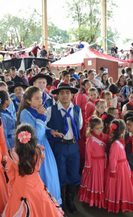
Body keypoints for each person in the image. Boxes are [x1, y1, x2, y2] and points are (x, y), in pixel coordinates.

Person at [4, 124, 65, 217]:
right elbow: (39, 165)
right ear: (33, 138)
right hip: (37, 186)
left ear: (17, 138)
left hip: (20, 189)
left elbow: (10, 177)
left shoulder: (10, 155)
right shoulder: (39, 151)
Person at [18, 86, 61, 205]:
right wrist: (41, 117)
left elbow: (42, 129)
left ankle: (52, 205)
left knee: (50, 177)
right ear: (28, 100)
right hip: (34, 149)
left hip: (45, 147)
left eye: (41, 98)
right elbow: (35, 134)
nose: (40, 101)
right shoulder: (25, 114)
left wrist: (50, 131)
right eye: (36, 98)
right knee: (41, 176)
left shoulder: (39, 110)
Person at [46, 83, 82, 213]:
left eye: (68, 92)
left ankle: (70, 201)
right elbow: (44, 125)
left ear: (72, 95)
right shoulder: (51, 110)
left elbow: (80, 125)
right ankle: (59, 201)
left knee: (73, 173)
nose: (65, 95)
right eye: (62, 93)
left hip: (73, 146)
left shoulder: (77, 109)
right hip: (59, 146)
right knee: (60, 174)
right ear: (58, 95)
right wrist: (51, 131)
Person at [104, 119, 133, 213]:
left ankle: (121, 202)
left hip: (123, 167)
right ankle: (116, 203)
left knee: (122, 185)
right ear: (123, 131)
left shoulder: (119, 142)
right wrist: (113, 171)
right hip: (118, 168)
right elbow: (112, 159)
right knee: (117, 185)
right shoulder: (115, 144)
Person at [78, 117, 108, 208]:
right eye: (97, 128)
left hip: (103, 162)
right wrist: (88, 166)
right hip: (95, 164)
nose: (99, 130)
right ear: (91, 129)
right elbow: (88, 155)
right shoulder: (90, 140)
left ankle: (101, 198)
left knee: (102, 180)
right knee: (95, 180)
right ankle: (93, 199)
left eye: (101, 128)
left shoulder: (105, 136)